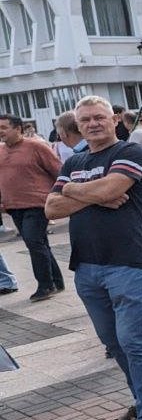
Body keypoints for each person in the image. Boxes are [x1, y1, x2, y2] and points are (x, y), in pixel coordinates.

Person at [46, 96, 142, 420]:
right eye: (86, 120)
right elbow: (51, 209)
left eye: (100, 117)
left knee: (134, 340)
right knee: (113, 343)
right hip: (87, 265)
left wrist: (74, 190)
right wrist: (89, 193)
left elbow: (111, 189)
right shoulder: (75, 160)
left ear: (114, 119)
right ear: (77, 125)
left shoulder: (130, 152)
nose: (93, 124)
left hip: (128, 262)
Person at [0, 114, 65, 301]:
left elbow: (58, 170)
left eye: (4, 127)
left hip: (37, 203)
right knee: (39, 242)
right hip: (13, 206)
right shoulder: (1, 150)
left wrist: (59, 195)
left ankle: (45, 285)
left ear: (18, 128)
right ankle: (56, 281)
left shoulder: (36, 147)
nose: (0, 132)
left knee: (33, 241)